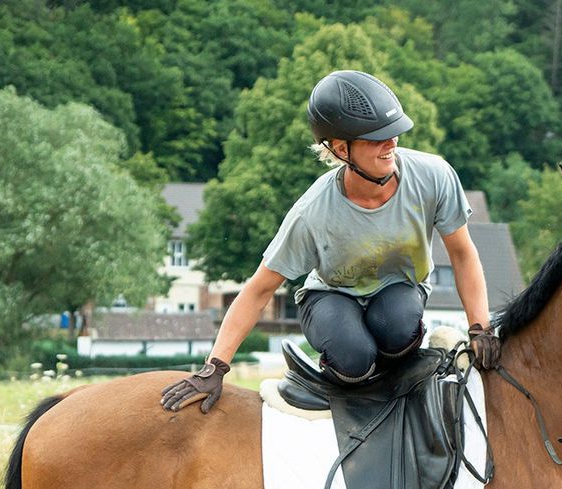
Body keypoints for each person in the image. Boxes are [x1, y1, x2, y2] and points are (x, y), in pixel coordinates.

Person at [161, 70, 501, 414]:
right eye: (376, 138)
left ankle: (399, 382)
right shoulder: (313, 211)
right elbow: (259, 290)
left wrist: (480, 329)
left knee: (397, 326)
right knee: (354, 355)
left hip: (399, 289)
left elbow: (462, 254)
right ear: (341, 149)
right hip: (330, 297)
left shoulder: (434, 176)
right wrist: (214, 368)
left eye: (394, 134)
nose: (392, 144)